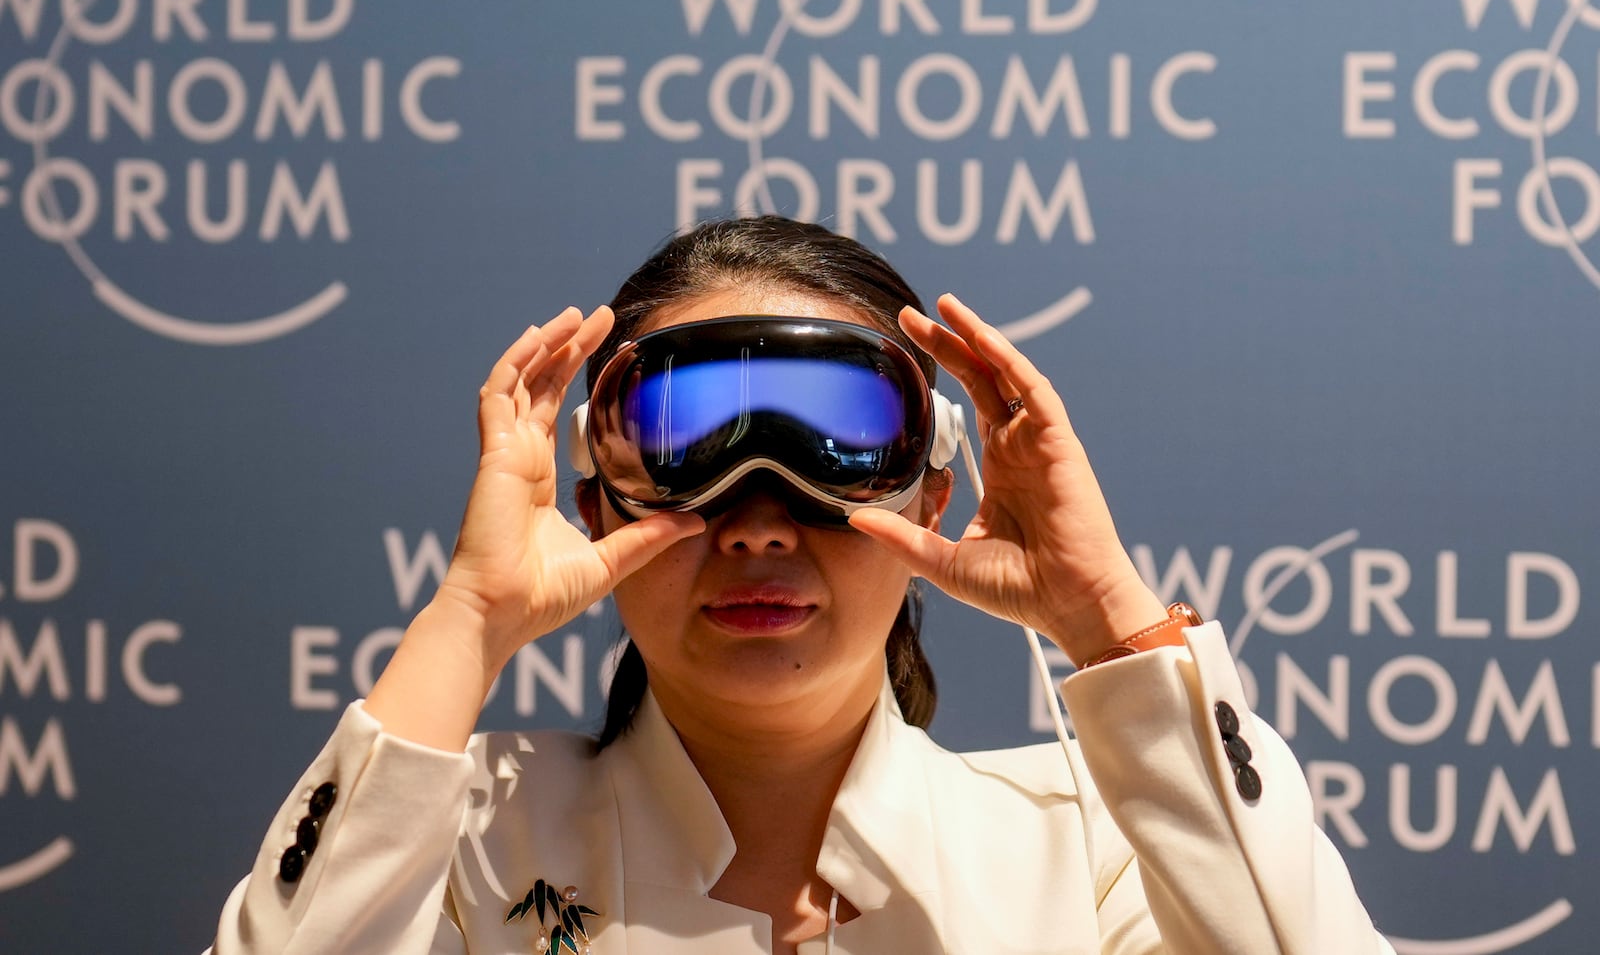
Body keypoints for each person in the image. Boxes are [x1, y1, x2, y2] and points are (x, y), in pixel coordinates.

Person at [209, 216, 1394, 954]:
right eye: (693, 455)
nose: (761, 526)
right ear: (591, 510)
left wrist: (1104, 617)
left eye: (833, 449)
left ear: (931, 496)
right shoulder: (463, 838)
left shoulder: (1089, 849)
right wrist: (467, 620)